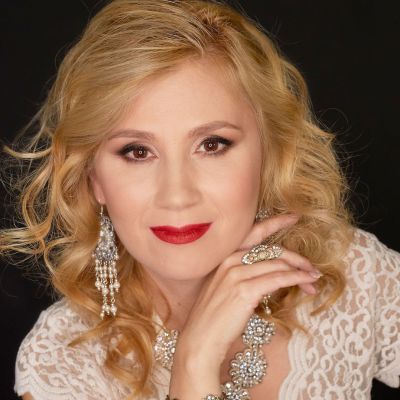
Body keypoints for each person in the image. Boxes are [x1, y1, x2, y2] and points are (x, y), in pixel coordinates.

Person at [0, 0, 398, 399]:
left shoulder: (353, 276)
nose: (177, 195)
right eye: (137, 151)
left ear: (268, 155)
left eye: (212, 144)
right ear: (95, 179)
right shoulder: (62, 362)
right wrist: (194, 362)